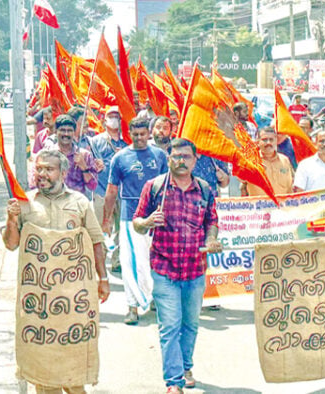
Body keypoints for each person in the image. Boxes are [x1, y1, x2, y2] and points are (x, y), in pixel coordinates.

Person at [2, 149, 110, 394]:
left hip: (73, 300)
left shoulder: (79, 202)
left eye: (48, 169)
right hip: (40, 305)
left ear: (63, 172)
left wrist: (102, 279)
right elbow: (11, 244)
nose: (42, 174)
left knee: (73, 375)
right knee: (44, 376)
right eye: (39, 168)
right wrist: (11, 219)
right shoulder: (24, 202)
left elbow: (95, 241)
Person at [133, 138, 222, 393]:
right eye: (175, 156)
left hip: (195, 269)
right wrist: (148, 221)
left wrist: (212, 239)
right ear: (168, 158)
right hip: (164, 268)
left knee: (191, 324)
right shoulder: (155, 187)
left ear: (195, 160)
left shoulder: (205, 189)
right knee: (169, 325)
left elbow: (211, 222)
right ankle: (174, 382)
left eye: (186, 156)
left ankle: (185, 366)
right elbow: (136, 223)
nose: (180, 161)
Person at [103, 116, 168, 325]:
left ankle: (155, 301)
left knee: (153, 262)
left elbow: (168, 186)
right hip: (130, 217)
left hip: (156, 217)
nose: (139, 138)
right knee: (130, 263)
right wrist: (106, 219)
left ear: (149, 134)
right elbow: (112, 190)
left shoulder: (159, 156)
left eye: (143, 134)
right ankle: (132, 307)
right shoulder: (120, 158)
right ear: (129, 134)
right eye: (135, 134)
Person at [89, 106, 128, 272]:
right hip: (102, 190)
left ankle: (118, 260)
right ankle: (101, 259)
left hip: (123, 191)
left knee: (121, 228)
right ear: (104, 120)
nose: (114, 119)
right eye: (110, 116)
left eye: (117, 117)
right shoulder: (96, 142)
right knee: (102, 227)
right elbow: (89, 163)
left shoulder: (127, 142)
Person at [47, 114, 99, 200]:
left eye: (69, 130)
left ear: (74, 132)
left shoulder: (85, 155)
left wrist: (84, 167)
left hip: (76, 205)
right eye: (62, 130)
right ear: (56, 132)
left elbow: (92, 186)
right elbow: (35, 184)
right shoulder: (47, 155)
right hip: (53, 203)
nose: (66, 134)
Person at [242, 127, 294, 196]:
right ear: (257, 141)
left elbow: (290, 187)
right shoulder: (250, 161)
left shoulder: (285, 160)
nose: (268, 143)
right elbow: (241, 180)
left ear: (276, 141)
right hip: (260, 205)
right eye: (265, 140)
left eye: (271, 139)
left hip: (283, 205)